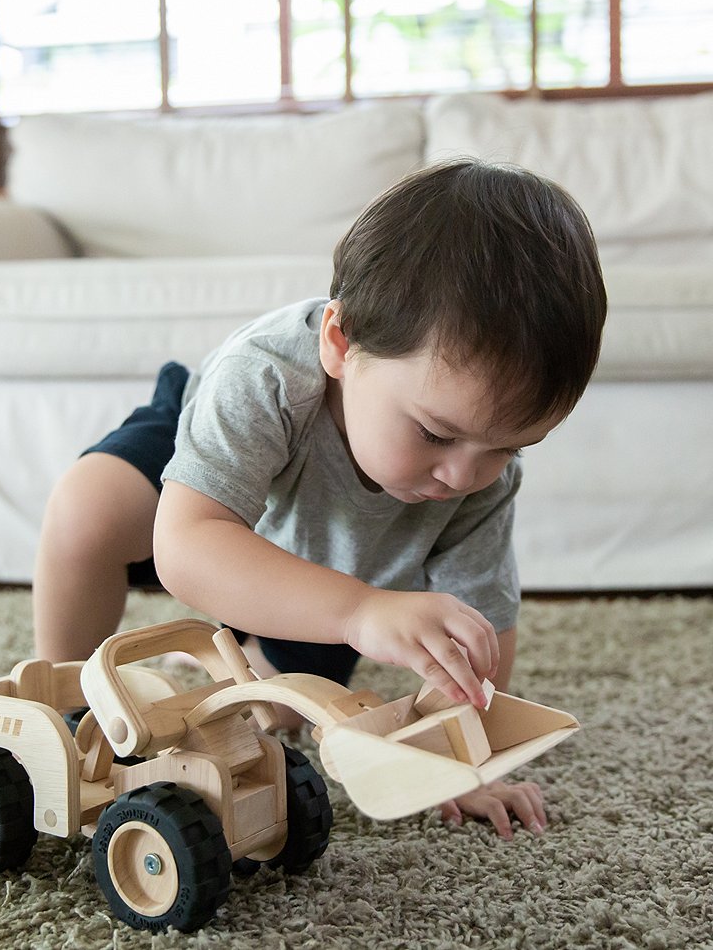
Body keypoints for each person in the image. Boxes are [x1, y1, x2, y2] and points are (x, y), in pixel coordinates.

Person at [33, 158, 606, 839]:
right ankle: (67, 703)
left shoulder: (477, 476)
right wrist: (362, 611)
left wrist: (470, 762)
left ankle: (227, 662)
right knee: (86, 509)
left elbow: (480, 633)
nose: (462, 475)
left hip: (335, 560)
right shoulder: (266, 376)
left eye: (509, 448)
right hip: (210, 484)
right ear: (341, 341)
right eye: (434, 432)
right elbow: (185, 548)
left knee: (279, 716)